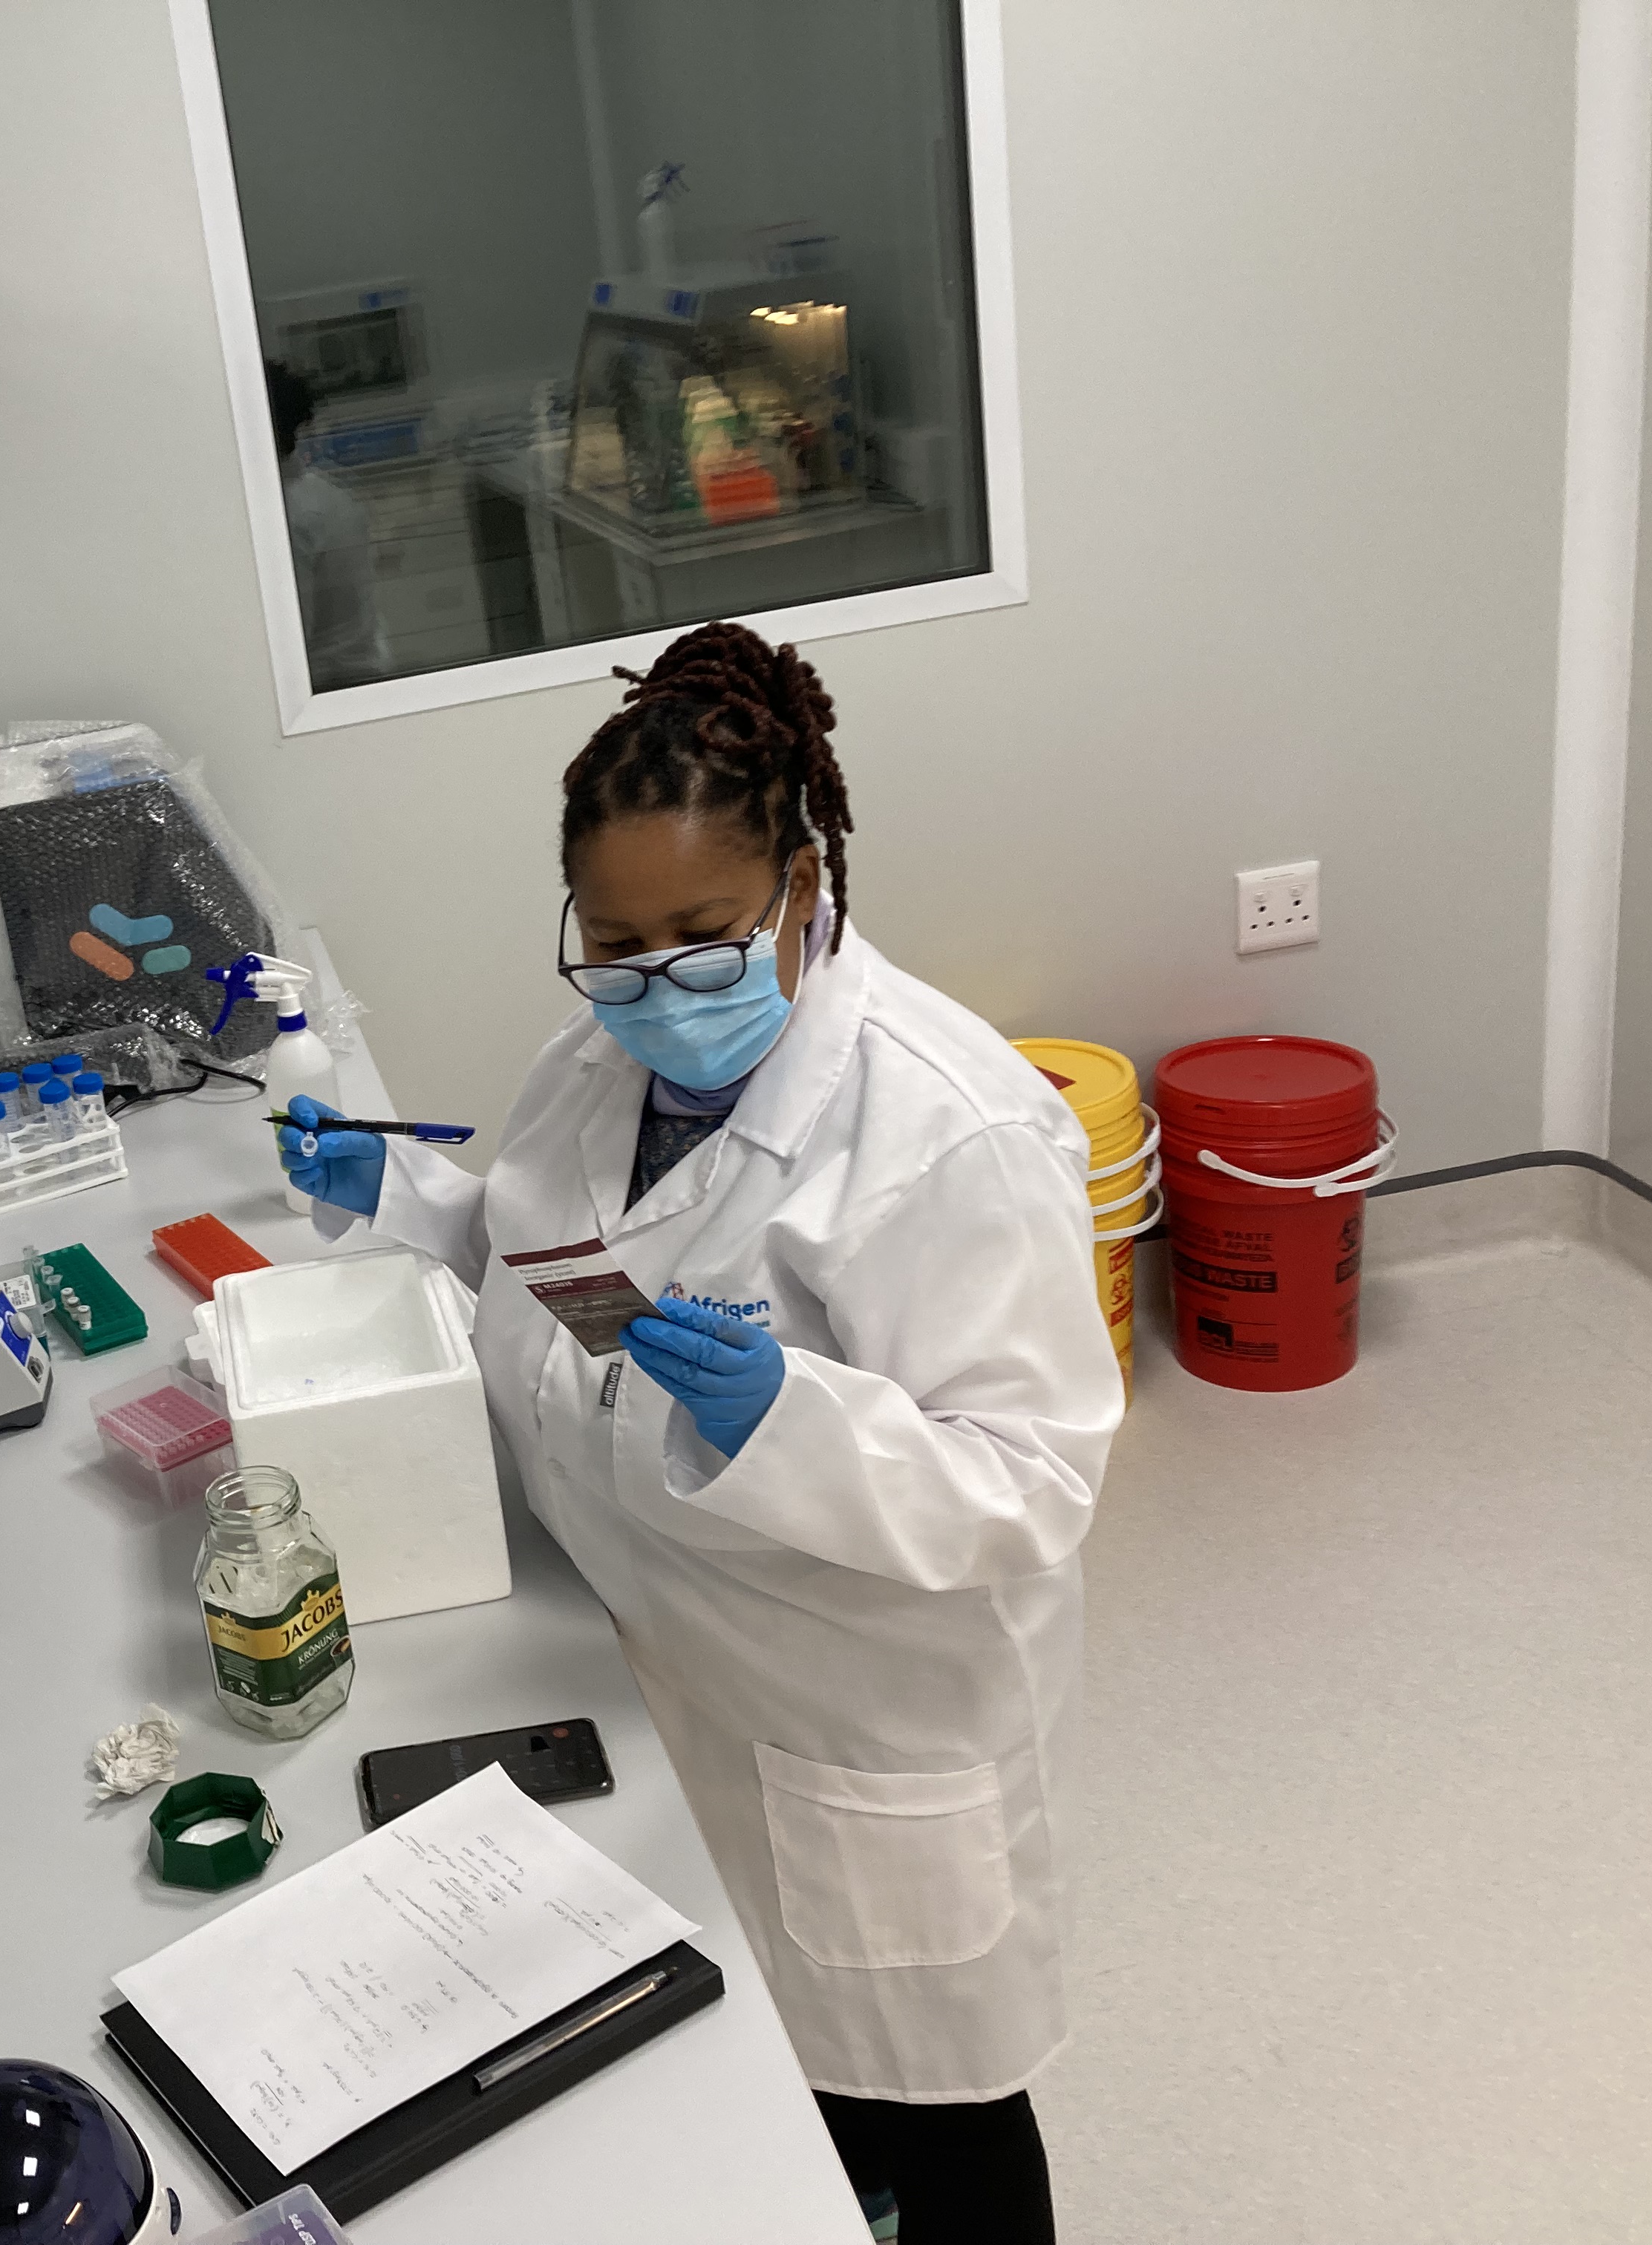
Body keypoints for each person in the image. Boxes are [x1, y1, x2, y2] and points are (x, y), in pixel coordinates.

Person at [281, 621, 1119, 2244]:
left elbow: (1032, 1488)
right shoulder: (601, 1063)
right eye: (615, 945)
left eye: (702, 941)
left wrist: (791, 1418)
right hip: (663, 1663)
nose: (656, 989)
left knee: (931, 2103)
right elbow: (574, 1281)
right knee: (769, 2075)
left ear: (805, 886)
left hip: (862, 1710)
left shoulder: (950, 1131)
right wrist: (416, 1204)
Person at [264, 359, 389, 690]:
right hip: (351, 673)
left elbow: (288, 642)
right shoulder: (319, 493)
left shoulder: (291, 515)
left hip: (328, 685)